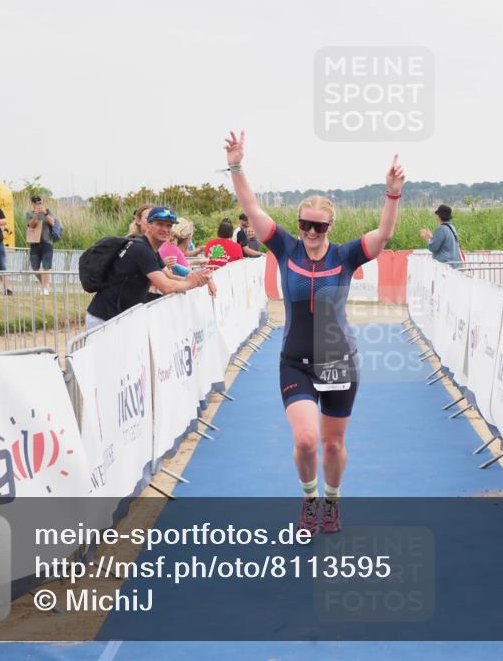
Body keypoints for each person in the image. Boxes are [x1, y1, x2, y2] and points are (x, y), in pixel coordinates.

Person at [223, 129, 405, 535]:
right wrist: (237, 165)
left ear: (330, 227)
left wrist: (392, 194)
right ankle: (309, 500)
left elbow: (385, 235)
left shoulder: (345, 255)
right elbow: (251, 207)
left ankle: (332, 503)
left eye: (319, 227)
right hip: (296, 362)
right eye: (305, 224)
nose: (310, 232)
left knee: (333, 445)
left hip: (339, 362)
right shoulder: (285, 248)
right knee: (306, 441)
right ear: (298, 223)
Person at [85, 207, 210, 330]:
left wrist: (192, 278)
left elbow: (169, 276)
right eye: (160, 224)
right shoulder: (142, 250)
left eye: (169, 225)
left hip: (117, 317)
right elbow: (167, 287)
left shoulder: (150, 248)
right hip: (104, 319)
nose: (165, 229)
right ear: (148, 225)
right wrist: (192, 283)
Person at [25, 195, 57, 295]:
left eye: (39, 201)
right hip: (34, 242)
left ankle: (45, 288)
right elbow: (31, 225)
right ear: (33, 203)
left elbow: (53, 223)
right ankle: (44, 284)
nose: (38, 203)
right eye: (35, 202)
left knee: (46, 266)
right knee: (35, 267)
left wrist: (45, 213)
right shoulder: (29, 213)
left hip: (47, 241)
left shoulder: (48, 211)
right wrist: (36, 215)